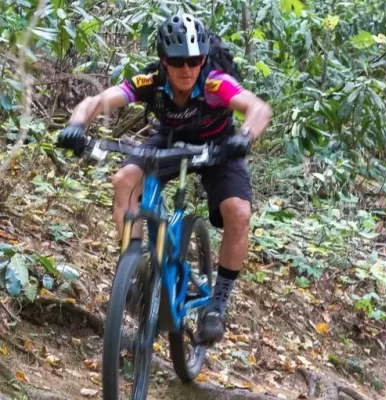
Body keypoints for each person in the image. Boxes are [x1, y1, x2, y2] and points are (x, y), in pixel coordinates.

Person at [58, 13, 272, 343]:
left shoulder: (215, 83)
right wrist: (76, 125)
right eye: (177, 61)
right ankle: (136, 268)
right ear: (163, 60)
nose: (187, 69)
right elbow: (96, 101)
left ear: (203, 60)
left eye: (194, 60)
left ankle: (216, 305)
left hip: (219, 147)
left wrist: (244, 136)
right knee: (124, 180)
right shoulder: (151, 82)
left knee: (238, 212)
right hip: (169, 141)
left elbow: (258, 108)